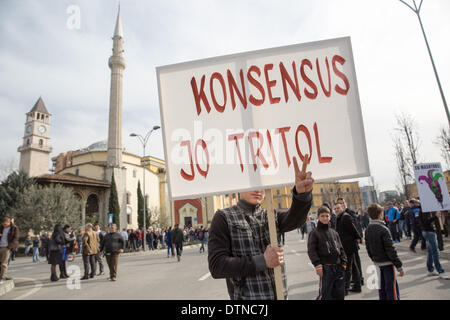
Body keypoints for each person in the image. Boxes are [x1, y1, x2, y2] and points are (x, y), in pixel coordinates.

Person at [208, 155, 313, 300]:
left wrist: (302, 195)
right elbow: (217, 266)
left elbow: (295, 219)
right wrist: (262, 261)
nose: (258, 190)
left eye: (262, 184)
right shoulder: (223, 218)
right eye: (252, 183)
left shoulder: (271, 216)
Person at [365, 203, 404, 300]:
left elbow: (368, 247)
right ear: (380, 215)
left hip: (377, 262)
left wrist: (373, 258)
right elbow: (390, 249)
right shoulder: (383, 229)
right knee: (391, 290)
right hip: (387, 263)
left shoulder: (367, 229)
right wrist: (398, 266)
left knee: (381, 289)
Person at [308, 206, 347, 300]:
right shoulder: (314, 233)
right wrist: (317, 265)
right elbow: (311, 250)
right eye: (322, 216)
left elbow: (341, 248)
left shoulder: (334, 232)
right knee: (326, 294)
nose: (325, 218)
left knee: (340, 293)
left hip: (338, 267)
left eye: (327, 216)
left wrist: (344, 263)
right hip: (325, 268)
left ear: (330, 217)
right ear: (318, 217)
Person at [336, 198, 364, 289]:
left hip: (351, 243)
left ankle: (358, 281)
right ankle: (356, 282)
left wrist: (359, 237)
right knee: (353, 264)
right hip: (346, 244)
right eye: (339, 204)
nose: (341, 205)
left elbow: (356, 226)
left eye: (342, 203)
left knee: (354, 263)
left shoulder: (348, 214)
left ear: (345, 204)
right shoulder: (339, 216)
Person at [418, 205, 449, 280]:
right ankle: (440, 271)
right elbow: (426, 222)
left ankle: (430, 270)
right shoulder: (424, 209)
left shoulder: (426, 208)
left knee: (430, 251)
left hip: (428, 232)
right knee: (435, 252)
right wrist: (435, 216)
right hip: (429, 232)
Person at [0, 217, 19, 283]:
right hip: (0, 246)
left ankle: (2, 277)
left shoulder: (14, 228)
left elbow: (15, 238)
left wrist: (10, 247)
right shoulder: (1, 227)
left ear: (9, 223)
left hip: (6, 247)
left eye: (5, 224)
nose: (3, 225)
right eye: (3, 224)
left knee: (4, 263)